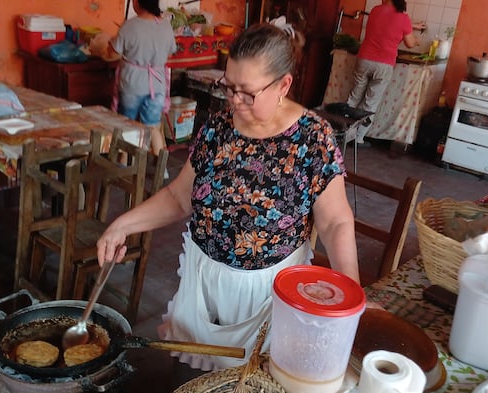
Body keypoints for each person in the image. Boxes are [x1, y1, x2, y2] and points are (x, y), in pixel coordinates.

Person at [95, 23, 359, 371]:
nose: (233, 100)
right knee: (194, 389)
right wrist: (122, 225)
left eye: (246, 93)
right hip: (204, 285)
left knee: (254, 391)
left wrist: (351, 293)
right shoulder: (217, 129)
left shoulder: (313, 139)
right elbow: (179, 198)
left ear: (283, 85)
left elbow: (335, 221)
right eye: (228, 87)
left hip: (270, 294)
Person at [346, 0, 425, 147]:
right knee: (370, 102)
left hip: (363, 59)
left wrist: (410, 25)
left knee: (354, 96)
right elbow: (409, 43)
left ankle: (343, 132)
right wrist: (417, 41)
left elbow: (388, 22)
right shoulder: (403, 18)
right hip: (384, 64)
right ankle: (358, 138)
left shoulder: (376, 10)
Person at [104, 0, 176, 156]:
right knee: (153, 126)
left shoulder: (130, 26)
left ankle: (123, 167)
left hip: (132, 84)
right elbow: (169, 53)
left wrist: (111, 42)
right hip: (157, 86)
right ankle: (161, 171)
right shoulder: (165, 26)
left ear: (137, 2)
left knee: (126, 126)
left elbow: (112, 53)